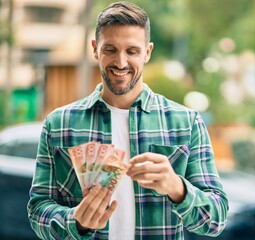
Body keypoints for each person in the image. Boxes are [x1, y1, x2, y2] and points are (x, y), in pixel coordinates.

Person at [27, 2, 229, 239]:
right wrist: (75, 221)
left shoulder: (186, 122)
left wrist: (177, 188)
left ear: (147, 52)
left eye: (132, 51)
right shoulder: (58, 124)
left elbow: (216, 219)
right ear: (95, 49)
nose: (121, 63)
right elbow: (37, 209)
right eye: (110, 50)